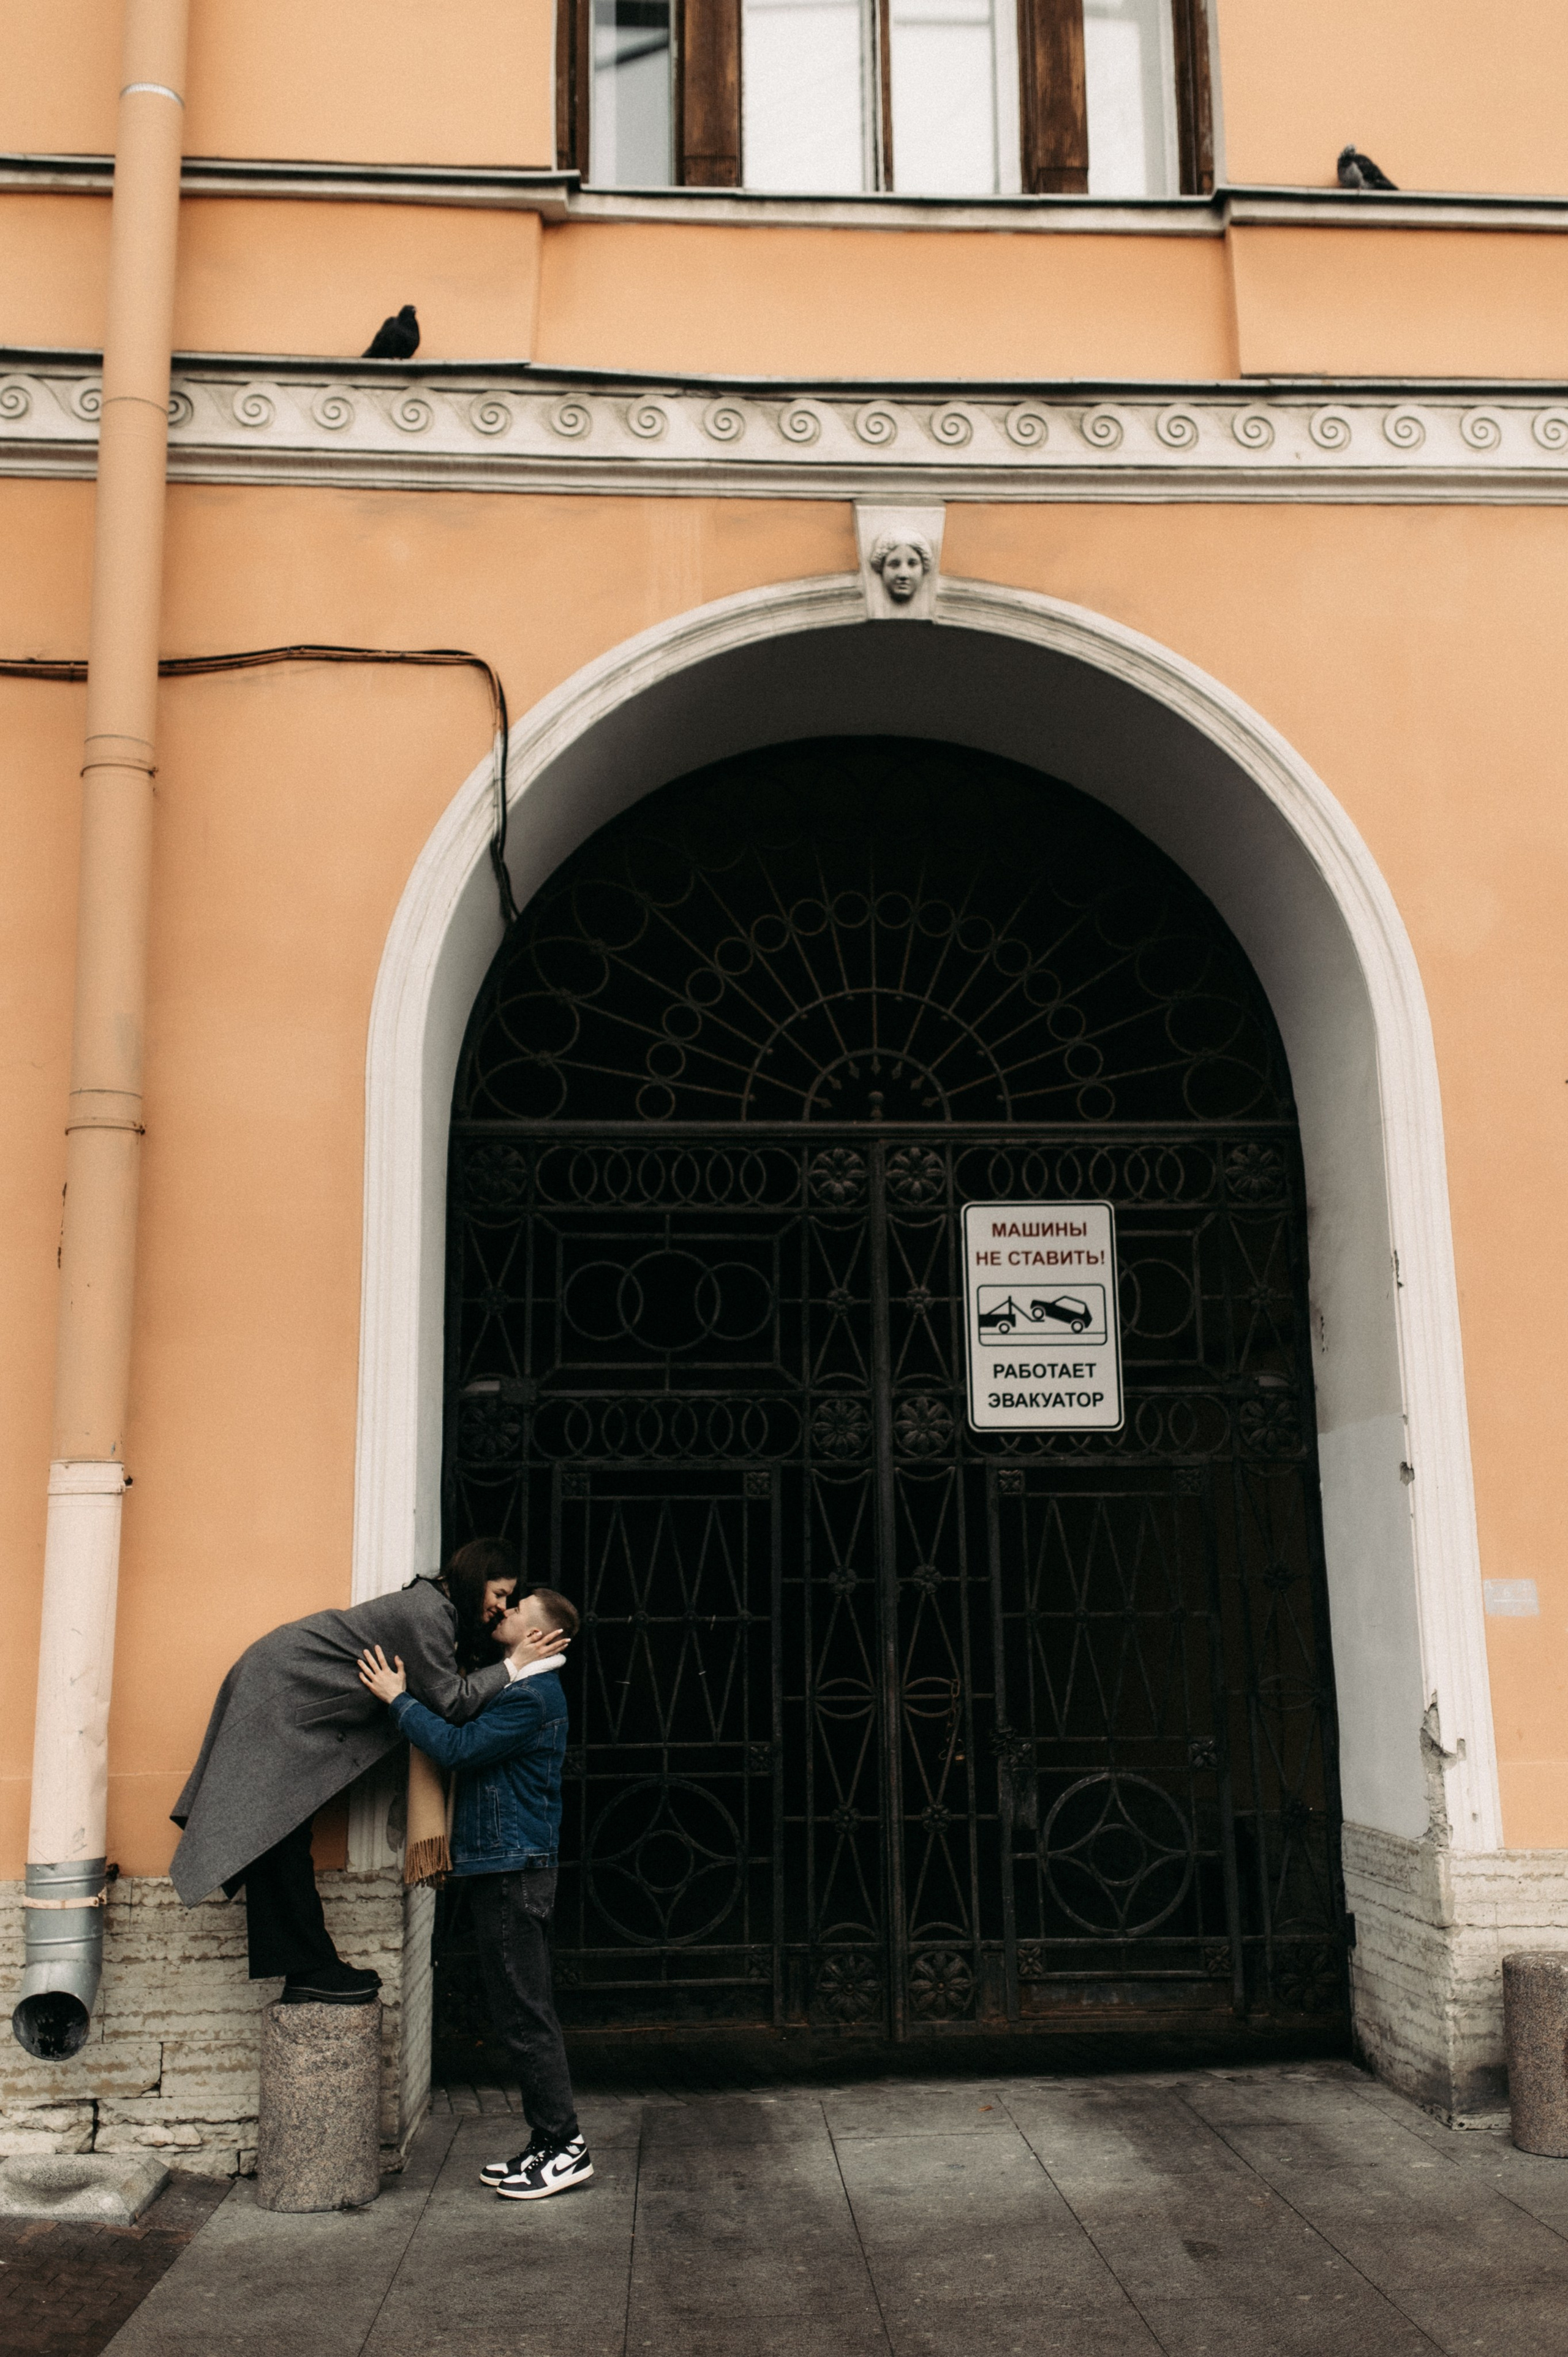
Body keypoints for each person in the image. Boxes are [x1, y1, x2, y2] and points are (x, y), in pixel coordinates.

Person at [169, 1538, 564, 2003]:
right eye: (498, 1594)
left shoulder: (437, 1610)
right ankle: (311, 1968)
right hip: (284, 1692)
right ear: (476, 1580)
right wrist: (516, 1664)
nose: (501, 1608)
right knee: (278, 1833)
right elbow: (451, 1702)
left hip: (290, 1693)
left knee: (281, 1835)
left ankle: (308, 1970)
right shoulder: (428, 1614)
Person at [357, 1584, 590, 2201]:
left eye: (519, 1610)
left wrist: (398, 1700)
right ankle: (546, 2143)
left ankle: (564, 2145)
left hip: (513, 1871)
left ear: (544, 1636)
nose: (505, 1611)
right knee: (519, 2009)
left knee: (525, 2013)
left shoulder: (533, 1697)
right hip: (505, 1866)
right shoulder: (521, 1689)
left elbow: (457, 1747)